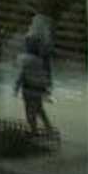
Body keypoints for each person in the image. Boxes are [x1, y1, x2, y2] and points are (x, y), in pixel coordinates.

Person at [15, 11, 57, 139]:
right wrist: (47, 86)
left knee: (30, 109)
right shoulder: (40, 60)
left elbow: (22, 74)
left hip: (29, 86)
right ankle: (48, 129)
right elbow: (46, 71)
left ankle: (35, 130)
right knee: (38, 108)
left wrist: (16, 87)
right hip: (37, 86)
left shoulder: (26, 60)